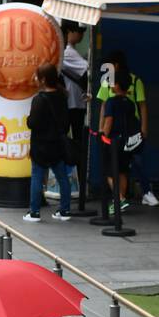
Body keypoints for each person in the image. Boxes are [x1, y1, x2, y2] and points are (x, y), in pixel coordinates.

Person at [96, 50, 156, 206]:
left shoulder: (135, 81)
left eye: (109, 64)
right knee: (120, 165)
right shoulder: (106, 82)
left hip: (132, 129)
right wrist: (101, 128)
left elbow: (142, 105)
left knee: (135, 161)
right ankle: (122, 198)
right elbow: (103, 106)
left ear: (116, 64)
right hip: (114, 131)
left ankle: (144, 192)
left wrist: (144, 129)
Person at [23, 63, 72, 223]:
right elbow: (66, 124)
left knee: (37, 176)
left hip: (41, 146)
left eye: (37, 76)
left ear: (43, 79)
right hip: (57, 144)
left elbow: (32, 123)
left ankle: (35, 212)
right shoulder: (62, 96)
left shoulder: (39, 100)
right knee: (62, 177)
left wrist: (28, 119)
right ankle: (64, 210)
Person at [98, 68, 138, 214]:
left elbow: (109, 121)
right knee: (122, 172)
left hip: (113, 142)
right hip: (126, 142)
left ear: (118, 85)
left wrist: (103, 136)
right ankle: (120, 201)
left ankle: (120, 199)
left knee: (109, 172)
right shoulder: (130, 103)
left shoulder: (111, 102)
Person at [60, 23, 89, 193]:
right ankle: (77, 184)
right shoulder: (68, 53)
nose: (81, 36)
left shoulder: (69, 52)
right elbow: (87, 69)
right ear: (69, 32)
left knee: (74, 142)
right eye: (79, 32)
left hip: (74, 103)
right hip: (73, 104)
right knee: (76, 143)